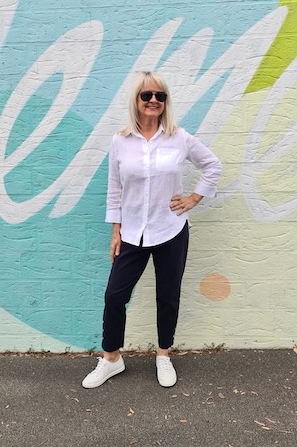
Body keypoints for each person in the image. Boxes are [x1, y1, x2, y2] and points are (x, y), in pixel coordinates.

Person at [82, 71, 222, 389]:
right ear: (136, 100)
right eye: (147, 95)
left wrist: (194, 198)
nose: (154, 101)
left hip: (170, 230)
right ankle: (112, 359)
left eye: (160, 96)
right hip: (132, 233)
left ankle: (163, 354)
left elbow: (212, 165)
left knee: (168, 295)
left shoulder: (179, 138)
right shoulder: (120, 141)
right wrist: (116, 231)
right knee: (114, 296)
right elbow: (115, 189)